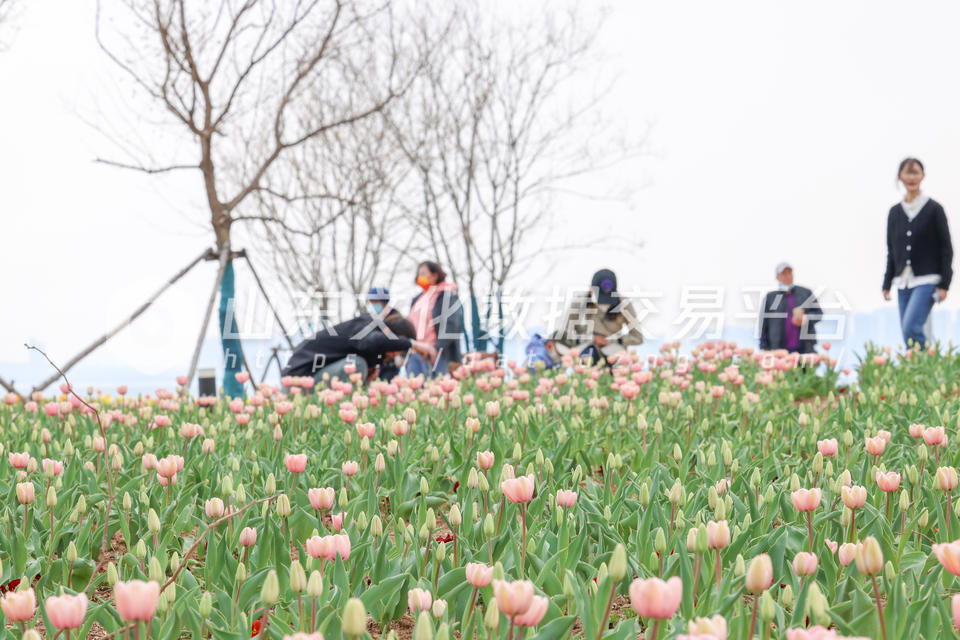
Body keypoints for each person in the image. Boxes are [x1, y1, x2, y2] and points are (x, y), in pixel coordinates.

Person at [882, 157, 953, 349]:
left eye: (916, 173)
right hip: (903, 282)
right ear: (900, 177)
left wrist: (945, 283)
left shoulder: (934, 209)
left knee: (911, 327)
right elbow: (892, 250)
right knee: (908, 336)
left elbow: (946, 248)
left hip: (927, 280)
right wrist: (887, 283)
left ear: (923, 176)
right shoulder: (895, 212)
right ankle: (917, 373)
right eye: (908, 172)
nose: (912, 177)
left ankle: (928, 366)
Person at [282, 314, 435, 384]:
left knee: (364, 369)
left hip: (311, 377)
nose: (394, 355)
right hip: (299, 378)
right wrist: (412, 343)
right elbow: (371, 341)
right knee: (356, 365)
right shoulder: (368, 325)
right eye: (396, 347)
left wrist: (370, 368)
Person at [553, 268, 643, 366]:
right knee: (585, 361)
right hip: (586, 348)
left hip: (614, 350)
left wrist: (611, 340)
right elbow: (565, 336)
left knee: (618, 366)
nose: (604, 303)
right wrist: (592, 338)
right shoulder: (579, 303)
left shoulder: (624, 304)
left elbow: (638, 337)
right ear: (591, 290)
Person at [407, 261, 464, 377]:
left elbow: (451, 325)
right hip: (415, 351)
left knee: (435, 388)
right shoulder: (417, 300)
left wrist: (436, 349)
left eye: (423, 273)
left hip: (438, 354)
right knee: (414, 389)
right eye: (419, 274)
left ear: (434, 275)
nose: (420, 277)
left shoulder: (446, 296)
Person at [758, 262, 822, 354]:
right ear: (778, 277)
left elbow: (818, 314)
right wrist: (763, 348)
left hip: (804, 349)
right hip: (779, 351)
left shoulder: (805, 293)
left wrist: (806, 318)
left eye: (789, 273)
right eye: (784, 273)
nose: (787, 276)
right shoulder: (770, 298)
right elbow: (763, 325)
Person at [366, 286, 403, 381]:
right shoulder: (370, 319)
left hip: (390, 364)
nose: (372, 305)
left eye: (375, 302)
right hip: (374, 365)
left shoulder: (395, 319)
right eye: (370, 302)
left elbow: (402, 338)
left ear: (384, 302)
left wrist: (400, 356)